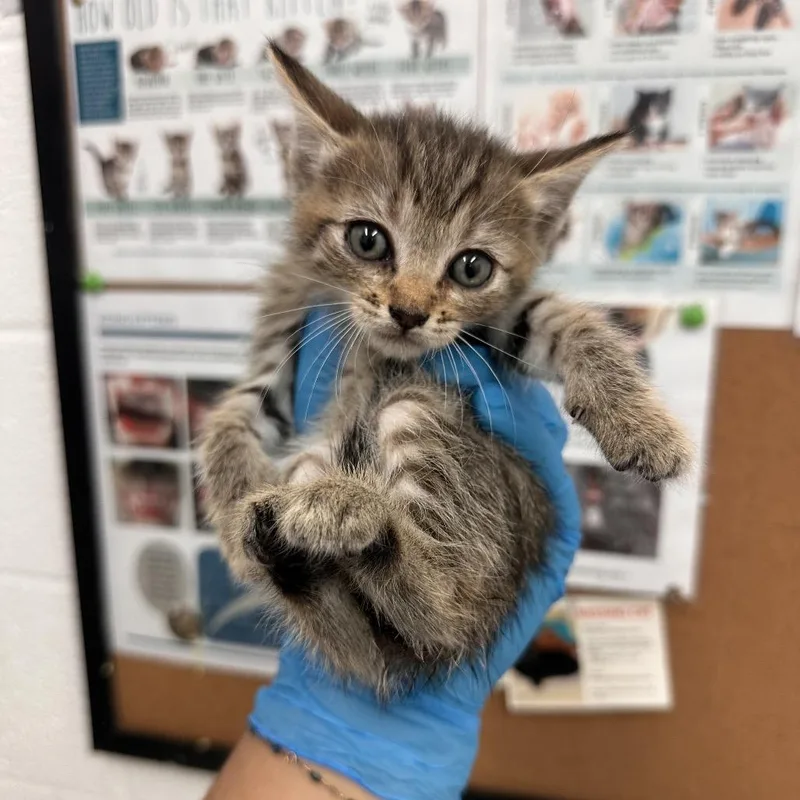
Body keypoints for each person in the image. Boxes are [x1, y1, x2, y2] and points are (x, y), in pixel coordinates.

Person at [206, 309, 582, 800]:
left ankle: (377, 568)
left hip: (444, 563)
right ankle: (365, 569)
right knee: (318, 471)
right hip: (398, 603)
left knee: (402, 417)